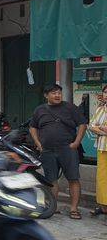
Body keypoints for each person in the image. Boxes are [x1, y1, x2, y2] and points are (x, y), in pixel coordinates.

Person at [29, 83, 87, 220]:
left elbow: (82, 124)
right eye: (54, 93)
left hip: (67, 149)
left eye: (59, 93)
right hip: (47, 151)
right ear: (46, 95)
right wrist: (38, 143)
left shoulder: (70, 107)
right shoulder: (40, 110)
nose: (57, 95)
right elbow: (33, 127)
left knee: (73, 178)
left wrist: (76, 143)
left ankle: (74, 209)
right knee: (51, 180)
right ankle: (52, 208)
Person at [88, 85, 107, 218]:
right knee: (102, 177)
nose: (106, 94)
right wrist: (103, 130)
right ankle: (103, 206)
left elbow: (96, 126)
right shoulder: (101, 109)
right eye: (105, 92)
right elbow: (91, 126)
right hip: (102, 147)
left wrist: (100, 128)